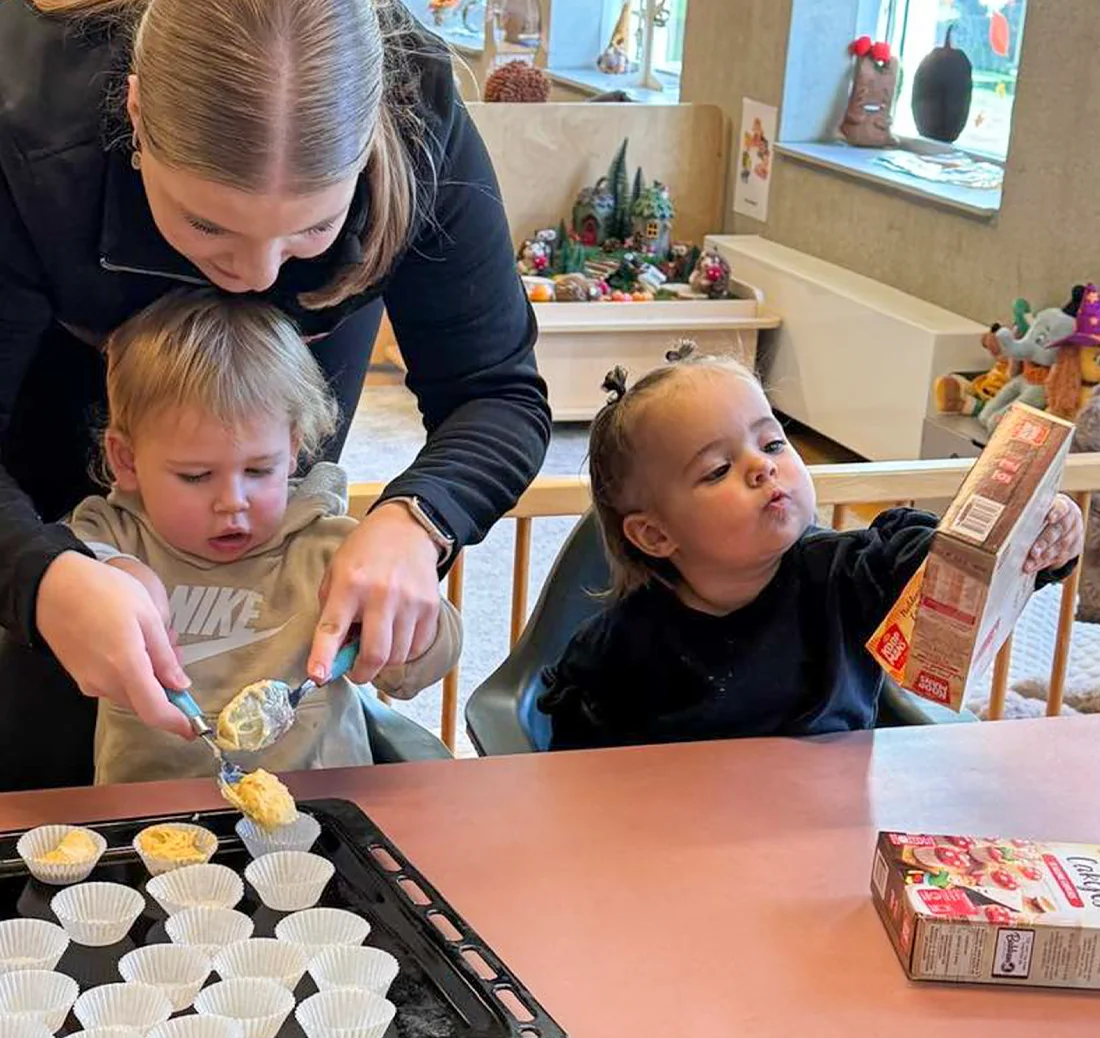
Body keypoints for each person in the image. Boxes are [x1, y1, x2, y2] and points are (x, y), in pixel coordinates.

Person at [0, 0, 548, 789]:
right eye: (205, 224)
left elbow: (495, 391)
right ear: (135, 112)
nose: (257, 277)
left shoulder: (420, 112)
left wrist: (419, 520)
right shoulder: (28, 135)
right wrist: (42, 576)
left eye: (312, 232)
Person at [539, 352, 1084, 749]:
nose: (763, 466)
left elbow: (936, 565)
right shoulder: (624, 641)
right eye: (718, 470)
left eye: (772, 442)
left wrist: (1038, 541)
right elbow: (578, 766)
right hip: (685, 844)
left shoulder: (847, 574)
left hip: (827, 831)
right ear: (657, 536)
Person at [69, 289, 462, 784]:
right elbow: (68, 561)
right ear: (126, 460)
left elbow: (415, 675)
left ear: (293, 449)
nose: (233, 500)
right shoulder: (114, 535)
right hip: (152, 821)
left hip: (320, 813)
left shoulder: (332, 549)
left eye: (259, 469)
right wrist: (107, 574)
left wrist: (407, 621)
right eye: (195, 475)